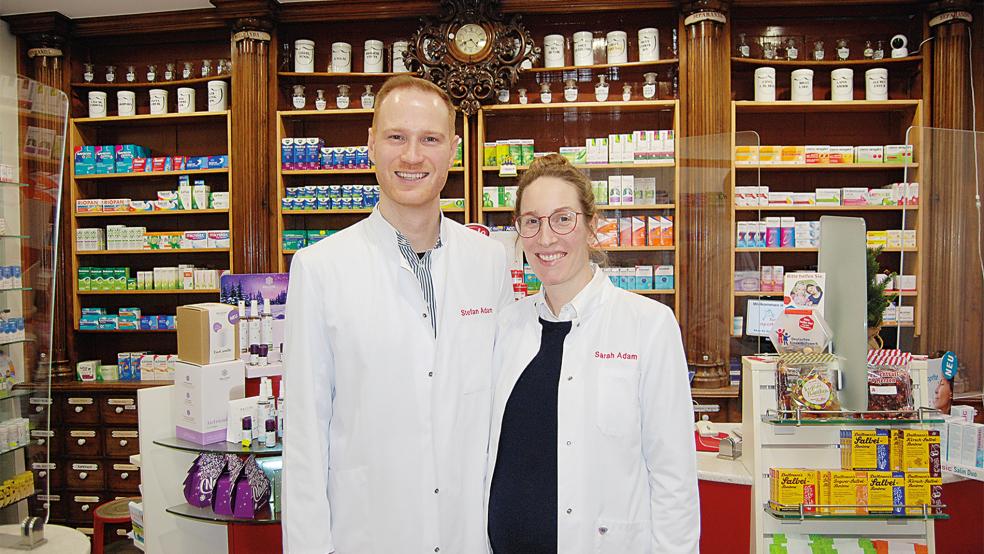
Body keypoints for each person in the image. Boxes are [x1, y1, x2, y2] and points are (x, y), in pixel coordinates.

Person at [282, 75, 513, 554]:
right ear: (370, 145)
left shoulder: (489, 259)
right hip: (368, 532)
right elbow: (305, 434)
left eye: (429, 139)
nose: (412, 156)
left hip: (465, 534)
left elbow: (499, 405)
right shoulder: (321, 268)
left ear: (454, 149)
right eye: (396, 137)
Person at [486, 154, 700, 553]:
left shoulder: (648, 325)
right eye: (531, 221)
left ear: (591, 225)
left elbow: (674, 478)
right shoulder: (505, 327)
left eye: (563, 218)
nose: (546, 238)